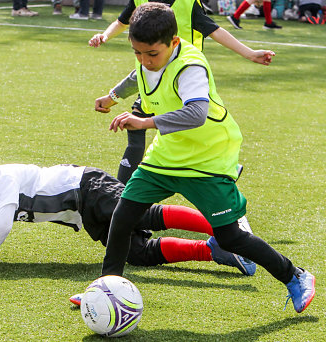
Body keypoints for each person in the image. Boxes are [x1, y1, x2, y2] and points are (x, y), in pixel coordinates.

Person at [97, 2, 315, 314]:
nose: (145, 60)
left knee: (230, 237)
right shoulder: (151, 58)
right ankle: (107, 290)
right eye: (137, 52)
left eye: (151, 54)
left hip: (207, 158)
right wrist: (112, 96)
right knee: (122, 217)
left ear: (173, 42)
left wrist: (146, 122)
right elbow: (139, 75)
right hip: (168, 154)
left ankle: (295, 275)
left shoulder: (191, 66)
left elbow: (196, 113)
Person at [0, 141, 256, 279]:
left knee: (145, 215)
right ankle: (215, 251)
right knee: (137, 253)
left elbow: (2, 224)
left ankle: (229, 231)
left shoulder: (1, 178)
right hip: (84, 213)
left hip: (88, 187)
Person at [89, 0, 275, 184]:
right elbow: (123, 26)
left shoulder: (188, 4)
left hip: (186, 84)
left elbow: (214, 30)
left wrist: (249, 53)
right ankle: (122, 196)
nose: (142, 57)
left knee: (195, 131)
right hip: (156, 85)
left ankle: (222, 168)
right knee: (136, 129)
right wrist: (112, 95)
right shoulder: (147, 56)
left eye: (150, 53)